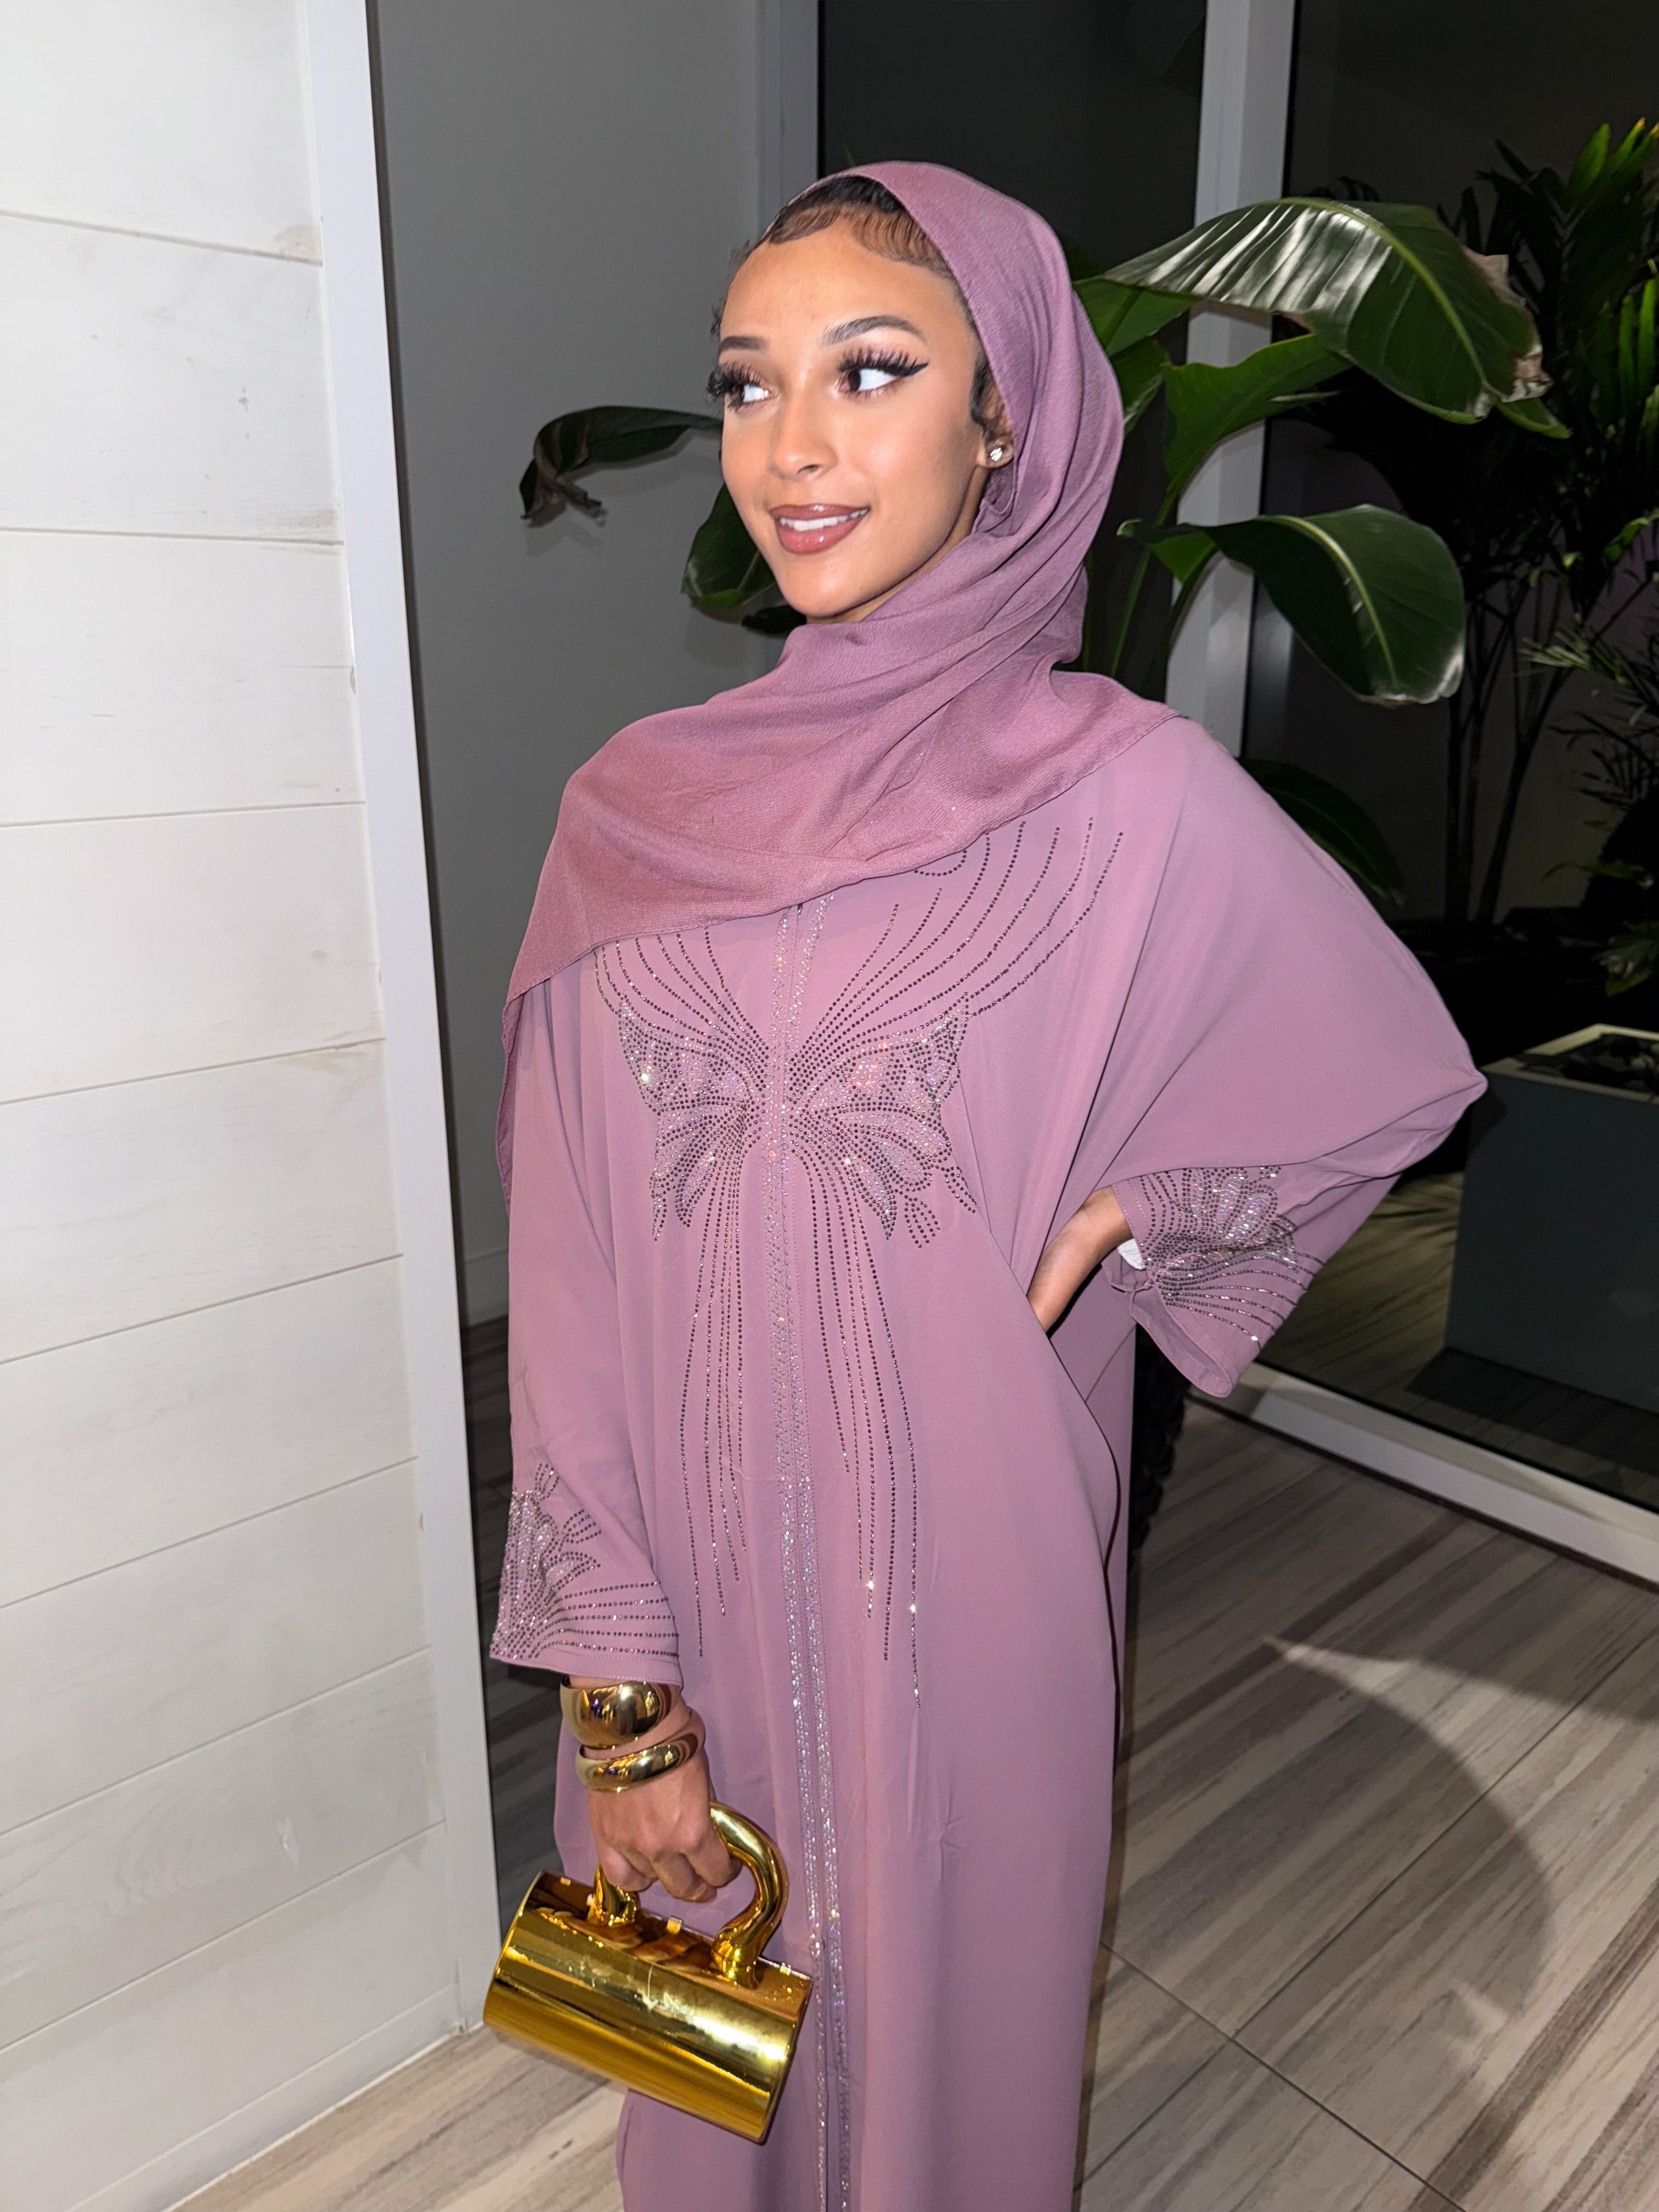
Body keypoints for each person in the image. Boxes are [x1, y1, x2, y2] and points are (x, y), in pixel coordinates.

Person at [490, 163, 1482, 2212]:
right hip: (680, 1587)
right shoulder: (629, 812)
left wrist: (1151, 1209)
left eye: (872, 370)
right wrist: (621, 1699)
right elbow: (569, 1274)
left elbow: (1382, 1069)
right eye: (749, 382)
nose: (795, 444)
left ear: (1006, 415)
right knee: (693, 2052)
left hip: (977, 1568)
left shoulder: (1127, 797)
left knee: (964, 2044)